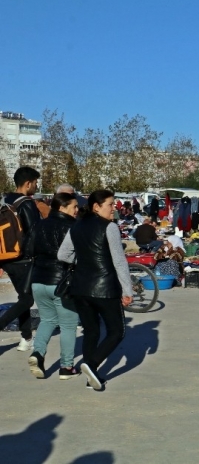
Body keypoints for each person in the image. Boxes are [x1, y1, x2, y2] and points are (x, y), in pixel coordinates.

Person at [57, 190, 134, 391]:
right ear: (96, 207)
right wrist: (127, 289)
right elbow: (119, 260)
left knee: (91, 331)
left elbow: (63, 254)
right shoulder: (109, 227)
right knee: (117, 331)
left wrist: (84, 260)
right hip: (105, 287)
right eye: (110, 204)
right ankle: (91, 365)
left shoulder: (76, 227)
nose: (114, 208)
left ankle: (90, 377)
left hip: (80, 288)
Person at [26, 193, 80, 380]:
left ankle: (38, 353)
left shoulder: (40, 224)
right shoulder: (72, 227)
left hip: (38, 280)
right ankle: (66, 367)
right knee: (68, 325)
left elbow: (29, 250)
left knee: (47, 320)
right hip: (62, 282)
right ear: (62, 208)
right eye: (74, 206)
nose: (77, 210)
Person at [0, 166, 42, 351]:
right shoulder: (26, 203)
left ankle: (26, 338)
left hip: (6, 257)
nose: (36, 186)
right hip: (23, 258)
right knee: (27, 300)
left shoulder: (5, 200)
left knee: (23, 296)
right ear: (27, 183)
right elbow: (34, 232)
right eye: (35, 183)